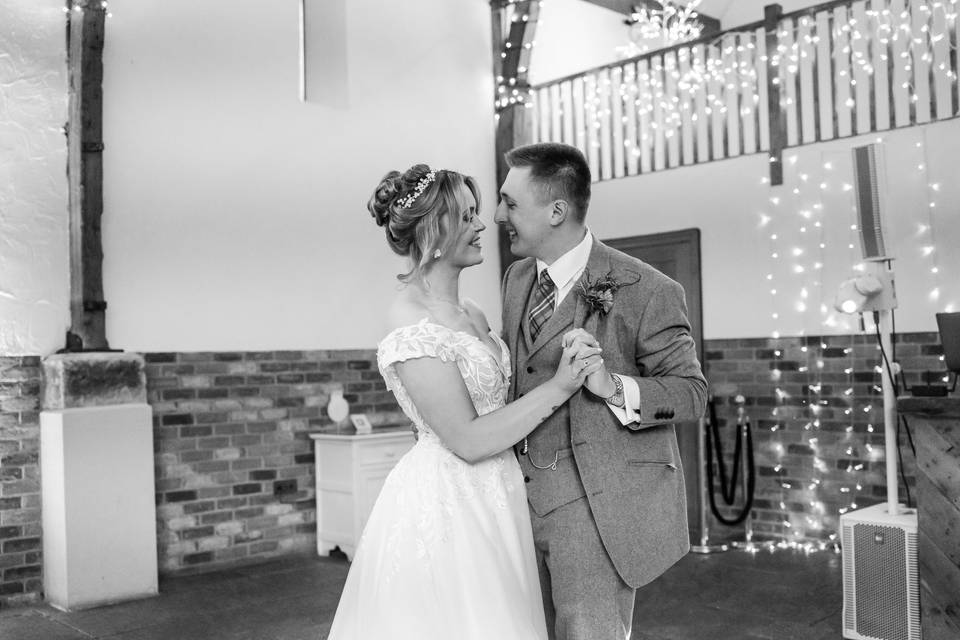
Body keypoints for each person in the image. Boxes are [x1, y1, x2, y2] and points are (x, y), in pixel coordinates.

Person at [325, 164, 605, 640]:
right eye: (468, 216)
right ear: (435, 230)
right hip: (450, 500)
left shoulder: (473, 311)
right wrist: (560, 385)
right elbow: (468, 439)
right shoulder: (409, 319)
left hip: (503, 493)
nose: (483, 224)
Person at [495, 142, 708, 640]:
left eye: (510, 202)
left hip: (595, 506)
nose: (498, 214)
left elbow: (691, 392)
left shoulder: (647, 288)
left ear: (556, 210)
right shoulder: (516, 277)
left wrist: (612, 385)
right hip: (515, 500)